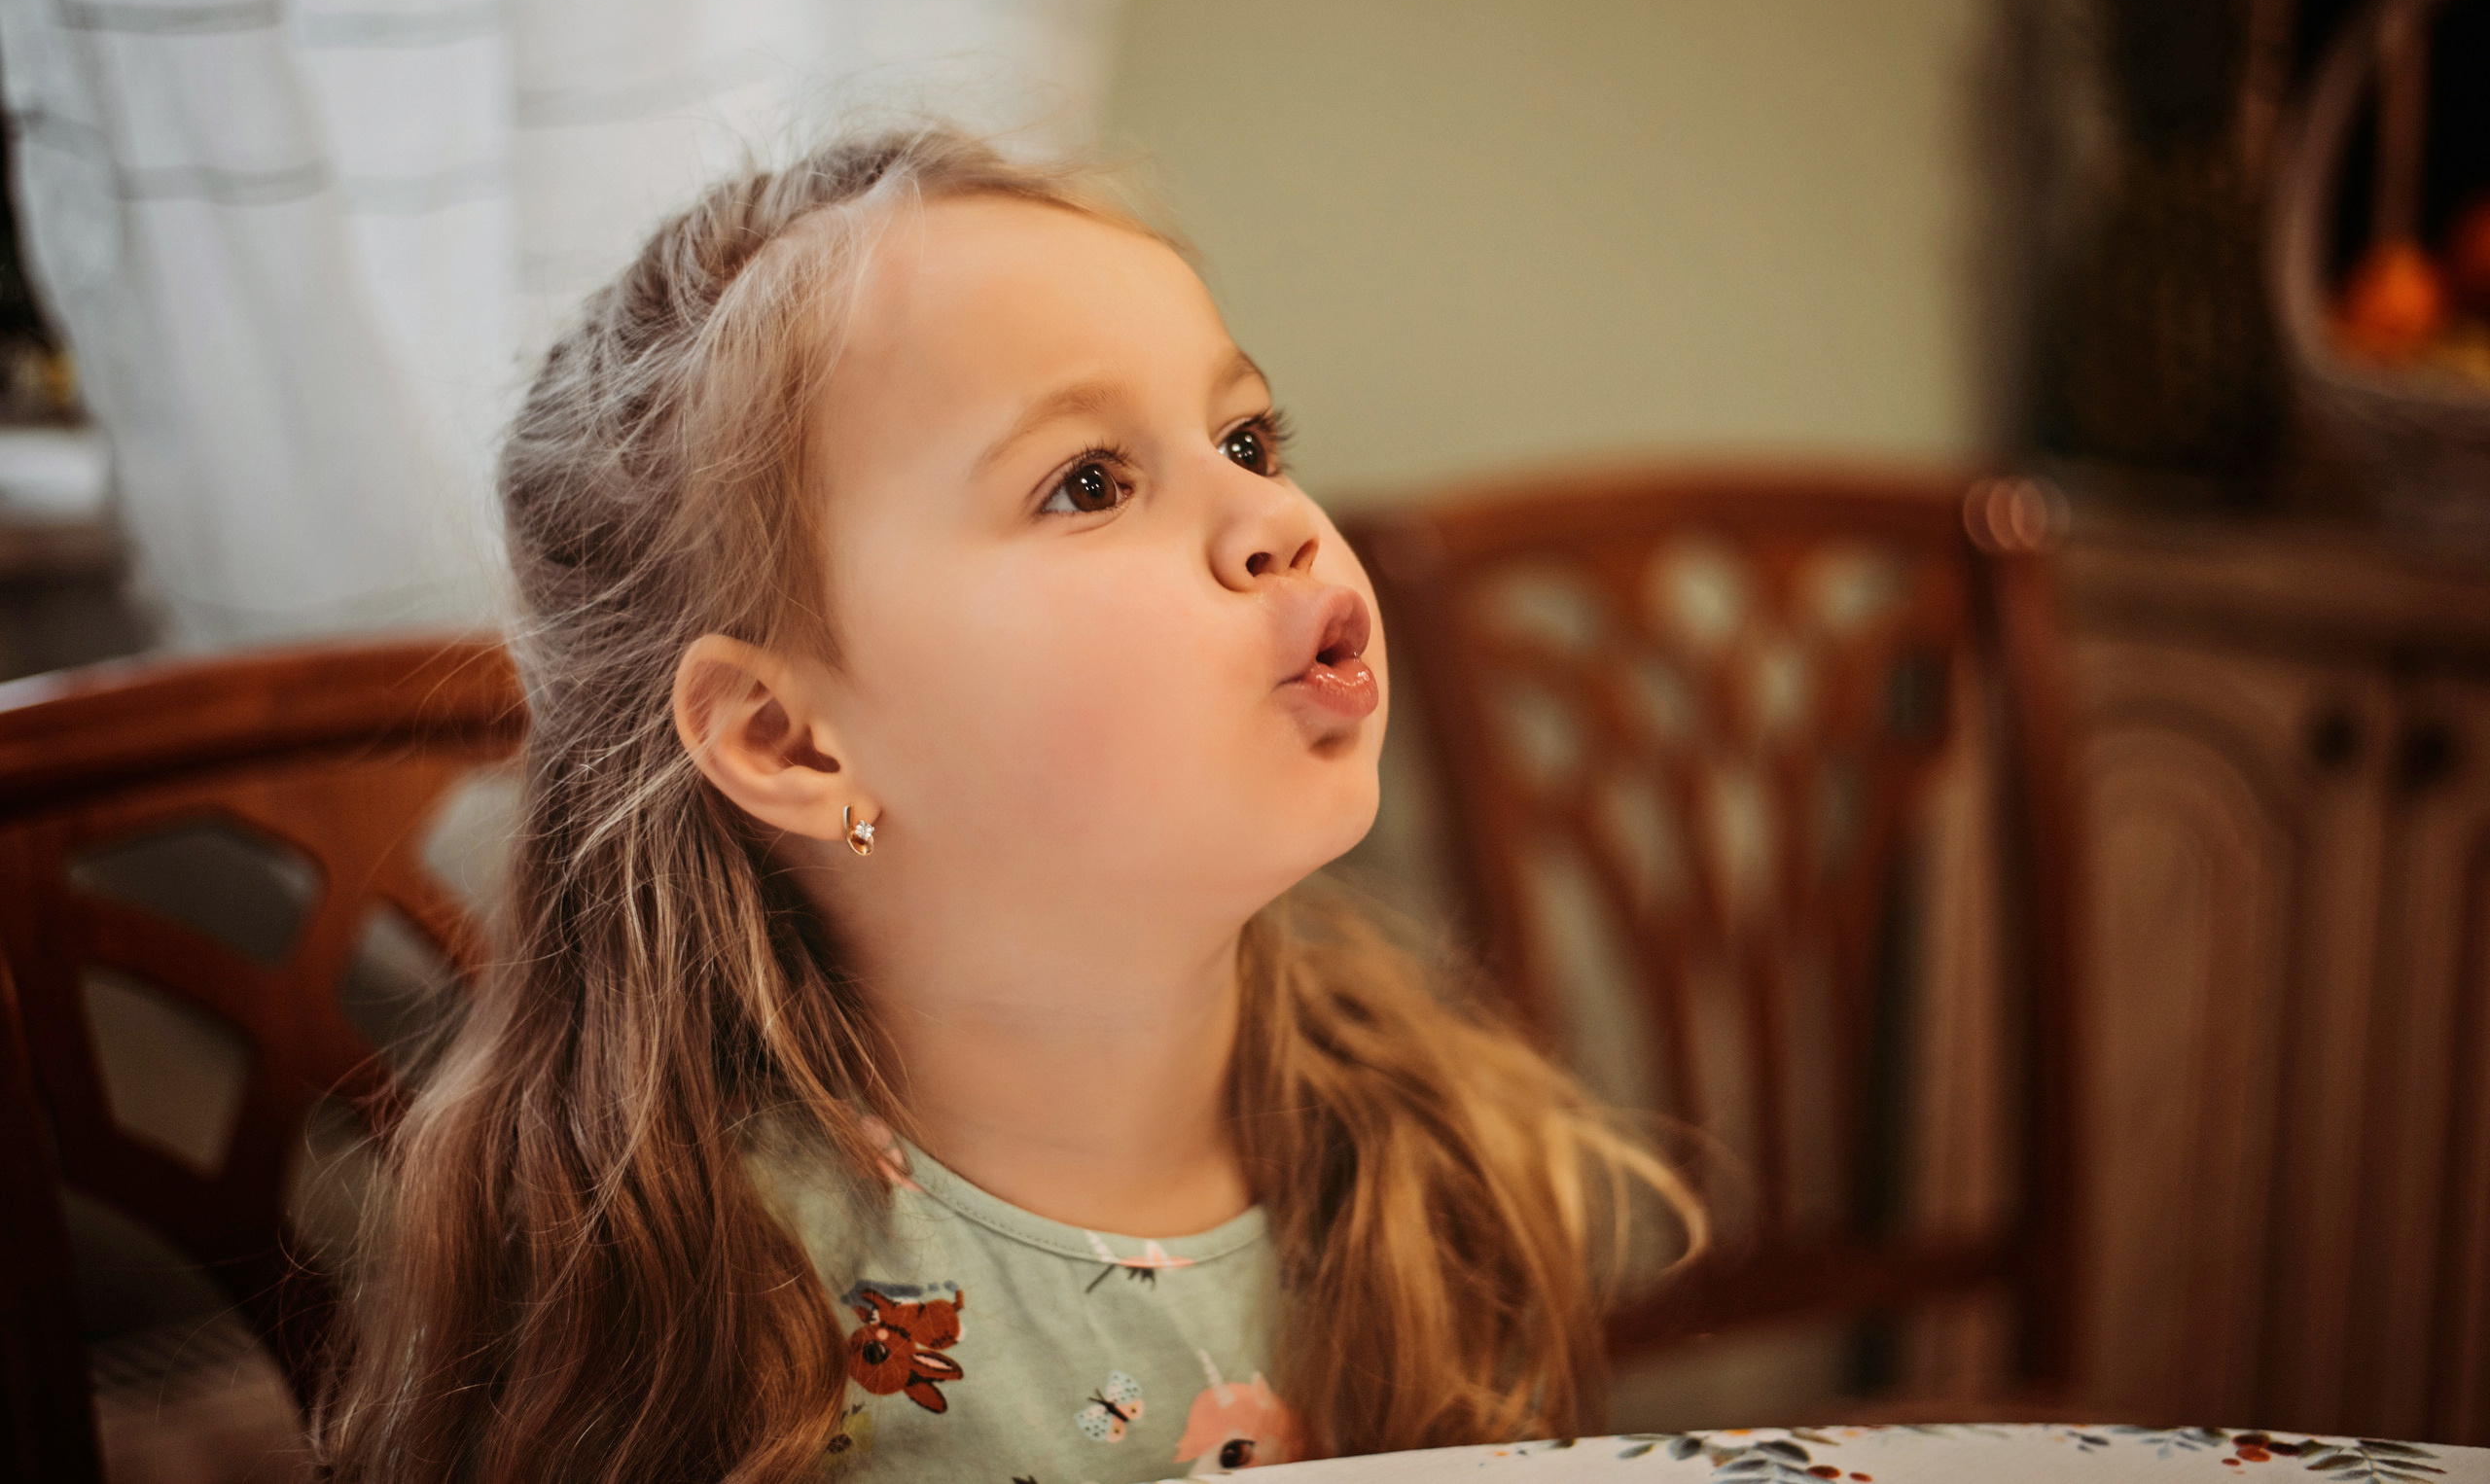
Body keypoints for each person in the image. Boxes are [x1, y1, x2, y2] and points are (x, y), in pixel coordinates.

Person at [316, 124, 1702, 1484]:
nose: (1272, 519)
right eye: (1090, 482)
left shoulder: (1430, 1150)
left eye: (1248, 437)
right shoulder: (712, 1307)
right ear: (793, 740)